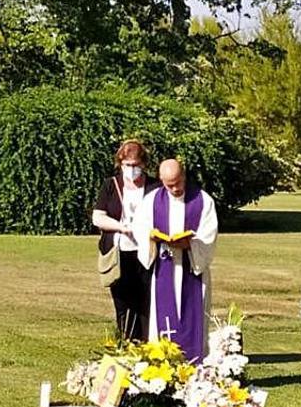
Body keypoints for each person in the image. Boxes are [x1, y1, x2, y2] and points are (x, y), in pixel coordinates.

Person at [131, 159, 218, 362]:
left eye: (178, 182)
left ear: (184, 176)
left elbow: (209, 236)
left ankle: (197, 372)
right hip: (164, 267)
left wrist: (190, 244)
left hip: (192, 270)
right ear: (161, 180)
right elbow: (140, 228)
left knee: (194, 321)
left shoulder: (203, 201)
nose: (176, 188)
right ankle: (162, 371)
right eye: (170, 184)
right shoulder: (152, 201)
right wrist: (151, 238)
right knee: (163, 325)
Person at [92, 140, 161, 341]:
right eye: (126, 165)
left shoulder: (154, 187)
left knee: (146, 301)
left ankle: (148, 344)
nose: (130, 170)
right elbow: (98, 217)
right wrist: (121, 227)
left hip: (147, 252)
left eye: (134, 165)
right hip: (119, 252)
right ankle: (127, 342)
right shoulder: (110, 185)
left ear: (143, 164)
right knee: (123, 302)